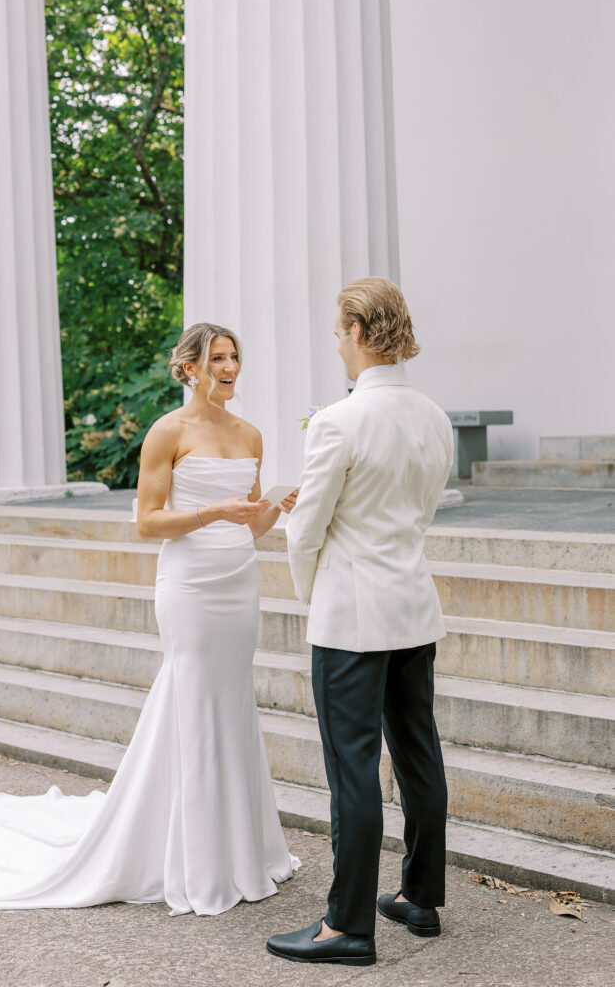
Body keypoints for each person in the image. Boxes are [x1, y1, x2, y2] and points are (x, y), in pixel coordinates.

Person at [0, 322, 299, 914]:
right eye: (216, 358)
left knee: (232, 700)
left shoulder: (250, 434)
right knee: (192, 696)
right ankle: (194, 858)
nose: (230, 367)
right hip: (190, 585)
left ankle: (241, 847)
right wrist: (211, 513)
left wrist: (275, 507)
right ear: (189, 369)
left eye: (234, 356)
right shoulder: (167, 431)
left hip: (239, 582)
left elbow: (251, 524)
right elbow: (148, 523)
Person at [266, 278, 454, 966]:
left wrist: (309, 592)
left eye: (336, 331)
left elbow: (306, 530)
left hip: (351, 615)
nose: (335, 343)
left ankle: (346, 927)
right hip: (413, 604)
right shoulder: (434, 416)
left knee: (353, 770)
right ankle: (420, 898)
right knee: (418, 755)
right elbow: (420, 513)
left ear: (354, 330)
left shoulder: (338, 422)